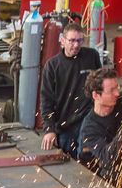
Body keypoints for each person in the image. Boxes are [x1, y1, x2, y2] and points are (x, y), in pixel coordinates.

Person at [39, 21, 101, 156]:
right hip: (66, 125)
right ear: (62, 40)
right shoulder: (52, 66)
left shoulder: (92, 56)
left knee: (89, 157)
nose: (76, 45)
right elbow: (46, 101)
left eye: (79, 41)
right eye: (72, 41)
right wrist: (49, 129)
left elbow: (101, 84)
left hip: (89, 118)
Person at [77, 68, 122, 177]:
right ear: (96, 95)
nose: (117, 93)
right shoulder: (89, 129)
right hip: (99, 176)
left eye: (117, 88)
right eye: (111, 90)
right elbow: (108, 156)